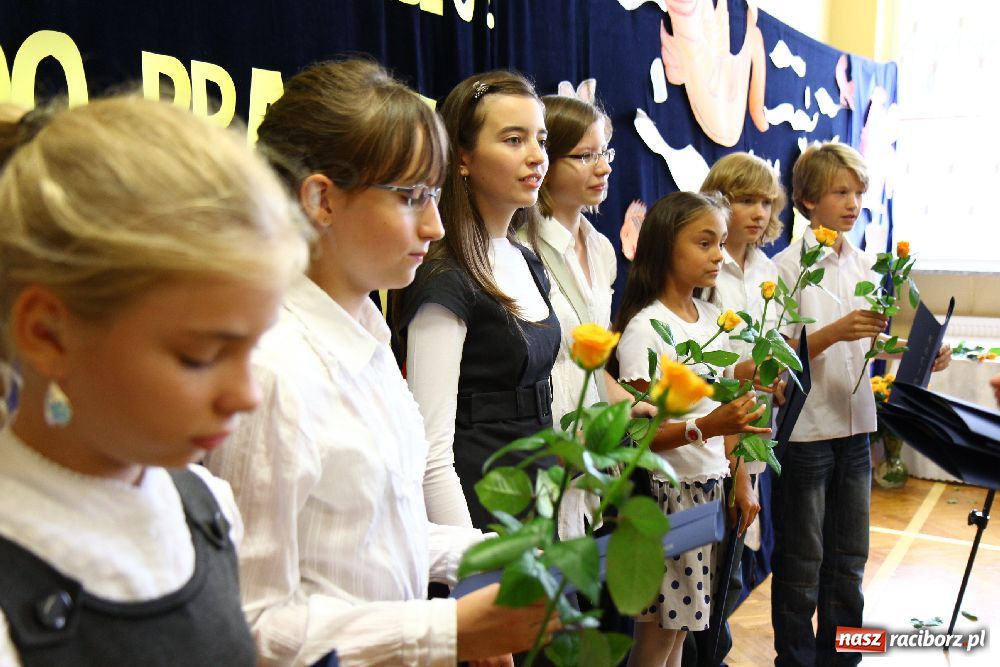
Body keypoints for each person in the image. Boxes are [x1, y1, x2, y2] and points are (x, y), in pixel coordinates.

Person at [205, 60, 557, 667]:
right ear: (321, 199)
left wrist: (489, 557)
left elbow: (381, 534)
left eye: (434, 194)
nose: (434, 222)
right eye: (411, 197)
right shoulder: (269, 371)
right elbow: (251, 624)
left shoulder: (364, 337)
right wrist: (445, 632)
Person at [0, 96, 309, 665]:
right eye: (200, 355)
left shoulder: (205, 508)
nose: (247, 395)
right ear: (48, 335)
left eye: (253, 347)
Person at [769, 142, 949, 666]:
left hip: (855, 428)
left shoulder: (868, 264)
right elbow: (777, 357)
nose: (853, 203)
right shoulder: (785, 268)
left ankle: (844, 657)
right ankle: (796, 660)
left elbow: (868, 343)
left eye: (859, 193)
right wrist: (835, 331)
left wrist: (916, 351)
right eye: (840, 192)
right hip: (806, 433)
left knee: (850, 559)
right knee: (803, 563)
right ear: (806, 200)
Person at [393, 71, 560, 531]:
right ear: (462, 158)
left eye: (540, 141)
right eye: (513, 139)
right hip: (476, 515)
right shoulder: (446, 275)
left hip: (537, 502)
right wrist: (475, 566)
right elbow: (430, 457)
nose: (536, 158)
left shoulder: (527, 260)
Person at [614, 191, 764, 667]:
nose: (719, 254)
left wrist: (739, 479)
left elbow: (730, 415)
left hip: (708, 491)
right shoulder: (646, 328)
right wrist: (704, 427)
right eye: (704, 242)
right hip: (667, 498)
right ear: (664, 246)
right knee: (658, 639)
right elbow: (636, 433)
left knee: (680, 634)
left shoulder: (707, 323)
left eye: (720, 242)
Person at [679, 152, 787, 666]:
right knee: (708, 582)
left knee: (732, 571)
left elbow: (767, 350)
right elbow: (706, 368)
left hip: (750, 437)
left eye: (766, 201)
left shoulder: (766, 270)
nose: (758, 212)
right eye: (746, 199)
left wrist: (776, 372)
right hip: (713, 443)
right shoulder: (706, 272)